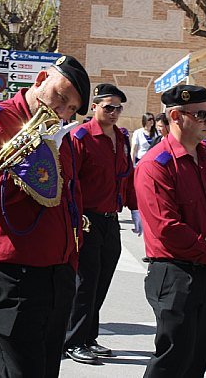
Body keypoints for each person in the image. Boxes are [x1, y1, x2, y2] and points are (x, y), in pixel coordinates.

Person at [0, 55, 90, 378]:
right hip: (14, 275)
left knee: (38, 368)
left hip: (55, 272)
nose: (63, 112)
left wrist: (71, 260)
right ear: (41, 79)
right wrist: (33, 155)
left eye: (71, 109)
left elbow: (70, 199)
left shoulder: (58, 132)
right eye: (61, 98)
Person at [135, 84, 206, 378]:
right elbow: (167, 228)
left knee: (197, 358)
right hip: (176, 273)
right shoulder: (156, 164)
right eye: (200, 114)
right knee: (173, 360)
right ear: (176, 116)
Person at [64, 83, 139, 364]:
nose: (114, 112)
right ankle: (72, 340)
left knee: (101, 281)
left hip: (110, 220)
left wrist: (135, 209)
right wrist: (75, 215)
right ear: (94, 106)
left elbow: (126, 176)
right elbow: (71, 180)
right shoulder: (80, 136)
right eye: (109, 107)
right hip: (87, 219)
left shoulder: (120, 137)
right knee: (85, 282)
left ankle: (88, 336)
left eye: (119, 108)